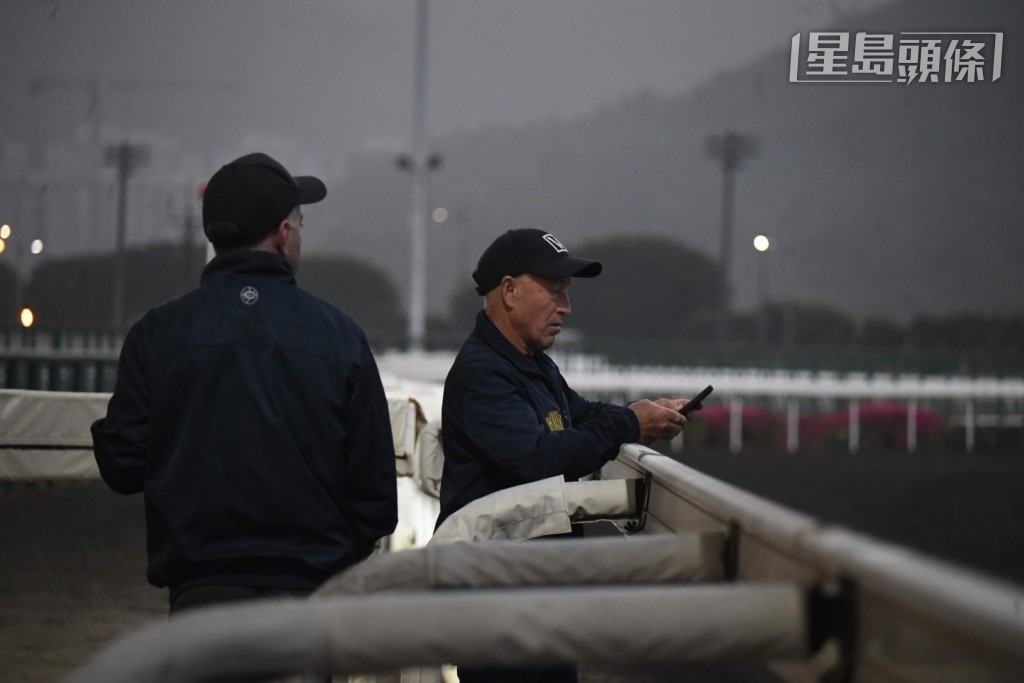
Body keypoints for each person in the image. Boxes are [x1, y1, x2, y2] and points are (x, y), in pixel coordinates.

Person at [91, 152, 398, 615]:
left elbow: (121, 465)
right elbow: (375, 499)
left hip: (200, 591)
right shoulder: (341, 336)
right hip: (309, 593)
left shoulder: (156, 333)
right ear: (282, 234)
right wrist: (328, 559)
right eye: (299, 224)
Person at [437, 228, 691, 683]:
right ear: (509, 291)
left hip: (534, 594)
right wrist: (630, 423)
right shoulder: (482, 373)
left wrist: (644, 412)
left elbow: (581, 414)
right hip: (499, 605)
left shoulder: (529, 361)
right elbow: (538, 457)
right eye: (554, 291)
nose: (566, 307)